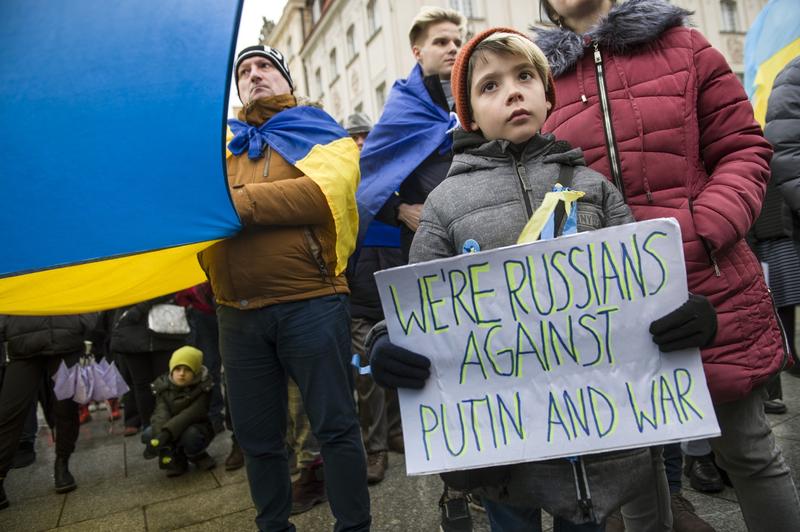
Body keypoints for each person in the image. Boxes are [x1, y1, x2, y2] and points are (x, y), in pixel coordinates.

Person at [368, 27, 684, 532]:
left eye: (524, 76)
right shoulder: (446, 205)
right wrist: (387, 344)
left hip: (594, 441)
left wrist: (682, 317)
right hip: (501, 453)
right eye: (489, 85)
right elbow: (414, 302)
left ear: (545, 92)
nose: (512, 91)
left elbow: (645, 291)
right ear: (468, 112)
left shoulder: (594, 188)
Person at [533, 1, 800, 531]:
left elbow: (744, 148)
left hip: (708, 283)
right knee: (636, 479)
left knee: (748, 452)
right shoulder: (535, 80)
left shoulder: (684, 46)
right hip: (605, 308)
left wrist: (703, 231)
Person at [199, 44, 370, 531]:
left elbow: (322, 194)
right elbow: (191, 206)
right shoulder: (219, 143)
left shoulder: (316, 129)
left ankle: (354, 526)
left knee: (334, 426)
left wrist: (235, 203)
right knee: (257, 439)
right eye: (244, 71)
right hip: (236, 310)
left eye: (265, 67)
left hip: (310, 302)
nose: (254, 75)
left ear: (287, 80)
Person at [355, 7, 471, 529]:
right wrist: (402, 207)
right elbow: (369, 181)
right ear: (417, 52)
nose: (453, 47)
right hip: (418, 254)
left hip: (476, 247)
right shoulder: (400, 111)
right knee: (436, 363)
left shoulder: (477, 93)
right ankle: (456, 491)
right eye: (441, 41)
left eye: (458, 39)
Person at [346, 111, 405, 484]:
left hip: (395, 293)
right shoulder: (340, 186)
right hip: (359, 300)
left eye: (366, 137)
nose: (361, 144)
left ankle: (398, 432)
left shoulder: (394, 182)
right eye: (353, 138)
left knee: (399, 362)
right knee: (367, 372)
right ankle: (376, 448)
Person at [0, 313, 98, 509]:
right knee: (8, 414)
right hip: (23, 343)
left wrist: (83, 320)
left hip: (65, 339)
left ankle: (62, 462)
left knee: (66, 409)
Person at [110, 295, 188, 455]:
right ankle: (152, 433)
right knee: (143, 386)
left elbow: (170, 285)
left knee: (167, 384)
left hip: (163, 325)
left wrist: (140, 307)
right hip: (131, 328)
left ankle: (172, 433)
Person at [145, 346, 216, 477]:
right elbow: (161, 412)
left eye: (187, 370)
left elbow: (191, 413)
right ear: (171, 370)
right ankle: (176, 458)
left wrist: (167, 433)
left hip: (196, 426)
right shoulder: (162, 387)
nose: (181, 373)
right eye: (177, 369)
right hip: (170, 427)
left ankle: (197, 455)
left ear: (195, 372)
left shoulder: (203, 387)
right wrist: (160, 435)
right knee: (149, 433)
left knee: (191, 435)